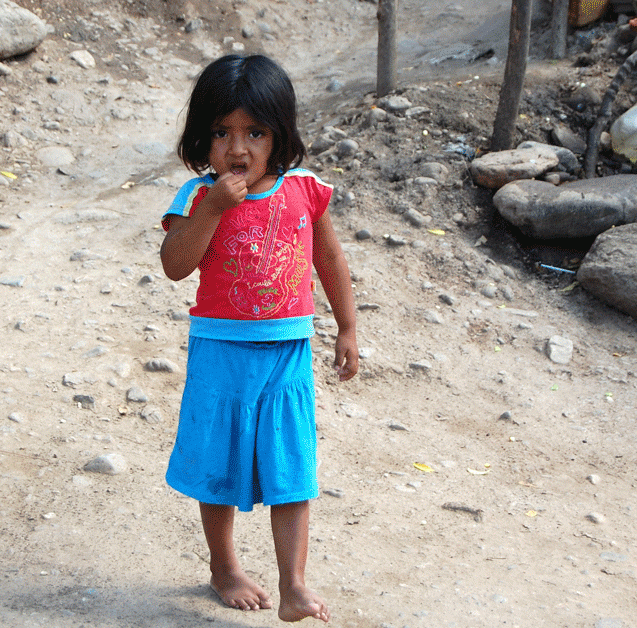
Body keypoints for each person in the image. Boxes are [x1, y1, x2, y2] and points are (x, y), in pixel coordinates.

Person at [159, 53, 358, 623]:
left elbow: (328, 258)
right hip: (221, 351)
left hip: (287, 352)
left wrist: (347, 326)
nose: (237, 149)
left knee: (291, 467)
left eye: (255, 133)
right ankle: (224, 567)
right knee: (219, 463)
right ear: (202, 138)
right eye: (221, 133)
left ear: (280, 136)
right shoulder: (197, 197)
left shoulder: (305, 190)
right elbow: (175, 265)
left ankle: (293, 585)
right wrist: (214, 209)